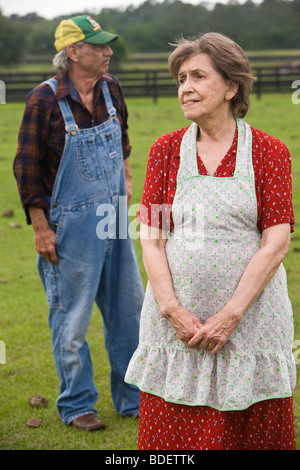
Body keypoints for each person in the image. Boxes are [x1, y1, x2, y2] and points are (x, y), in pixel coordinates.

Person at [125, 32, 297, 450]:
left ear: (231, 87)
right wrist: (171, 309)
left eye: (198, 76)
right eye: (181, 78)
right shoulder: (165, 151)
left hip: (250, 323)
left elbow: (276, 241)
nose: (186, 87)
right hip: (176, 329)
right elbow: (151, 237)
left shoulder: (270, 152)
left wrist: (230, 315)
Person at [13, 15, 144, 431]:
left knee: (129, 311)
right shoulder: (44, 100)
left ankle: (133, 398)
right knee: (71, 318)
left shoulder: (111, 88)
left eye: (107, 46)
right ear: (73, 52)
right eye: (99, 46)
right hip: (69, 227)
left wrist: (124, 181)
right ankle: (78, 404)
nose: (108, 52)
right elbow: (26, 169)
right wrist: (40, 227)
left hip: (115, 219)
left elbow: (122, 139)